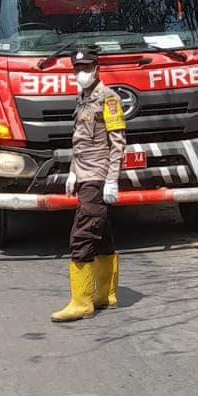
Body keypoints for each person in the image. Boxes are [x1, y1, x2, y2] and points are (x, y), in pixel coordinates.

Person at [51, 47, 126, 323]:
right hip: (84, 175)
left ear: (97, 67)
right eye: (77, 68)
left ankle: (81, 302)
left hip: (98, 176)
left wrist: (111, 180)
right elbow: (80, 142)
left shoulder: (108, 99)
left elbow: (117, 143)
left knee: (82, 234)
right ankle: (106, 295)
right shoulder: (81, 99)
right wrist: (72, 172)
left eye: (86, 67)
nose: (81, 73)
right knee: (101, 232)